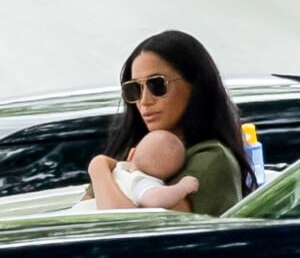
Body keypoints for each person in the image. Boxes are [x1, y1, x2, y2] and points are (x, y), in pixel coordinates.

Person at [85, 30, 257, 216]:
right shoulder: (131, 152)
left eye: (157, 85)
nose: (144, 100)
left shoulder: (211, 158)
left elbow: (128, 229)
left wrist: (99, 167)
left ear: (195, 85)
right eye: (134, 89)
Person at [105, 130, 198, 208]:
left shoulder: (118, 169)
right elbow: (155, 199)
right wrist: (182, 188)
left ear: (131, 154)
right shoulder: (142, 181)